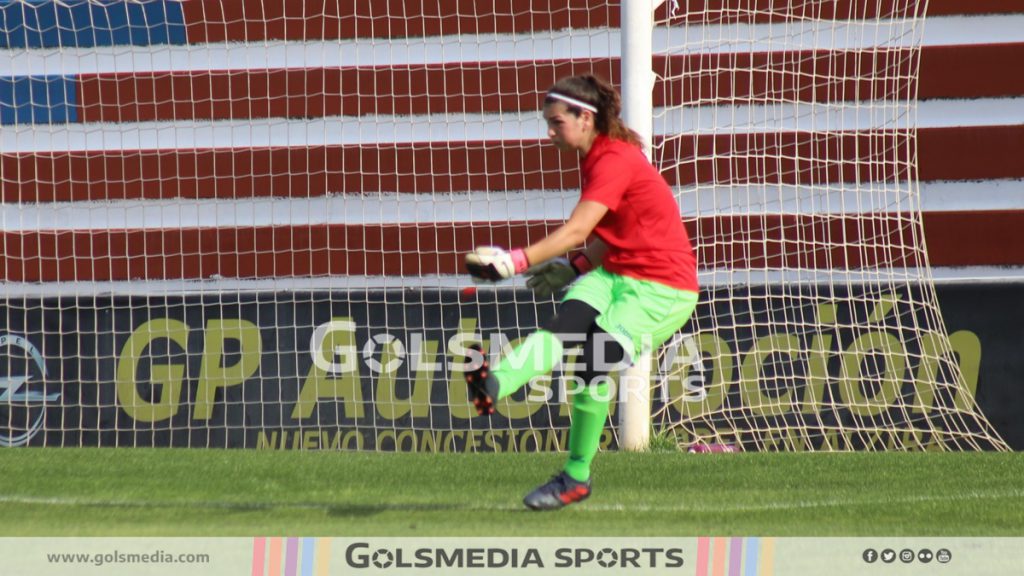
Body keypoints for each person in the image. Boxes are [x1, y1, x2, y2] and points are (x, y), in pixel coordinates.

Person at [463, 74, 699, 510]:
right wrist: (576, 268)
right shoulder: (597, 156)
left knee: (592, 358)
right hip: (615, 273)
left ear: (585, 118)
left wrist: (514, 261)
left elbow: (577, 229)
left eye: (556, 122)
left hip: (662, 288)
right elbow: (618, 232)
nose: (549, 131)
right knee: (565, 325)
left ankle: (575, 477)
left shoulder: (613, 160)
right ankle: (493, 384)